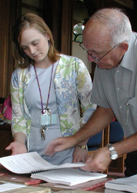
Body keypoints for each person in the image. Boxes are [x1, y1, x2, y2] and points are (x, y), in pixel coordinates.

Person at [45, 8, 137, 177]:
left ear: (123, 47)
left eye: (96, 54)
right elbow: (105, 110)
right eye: (88, 51)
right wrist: (75, 139)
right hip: (135, 143)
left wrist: (110, 151)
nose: (90, 59)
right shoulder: (105, 59)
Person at [5, 12, 96, 165]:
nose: (32, 51)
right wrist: (19, 142)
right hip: (33, 155)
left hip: (70, 153)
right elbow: (18, 116)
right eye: (25, 48)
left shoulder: (74, 66)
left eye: (35, 43)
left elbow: (91, 108)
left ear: (47, 35)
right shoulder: (19, 76)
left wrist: (81, 144)